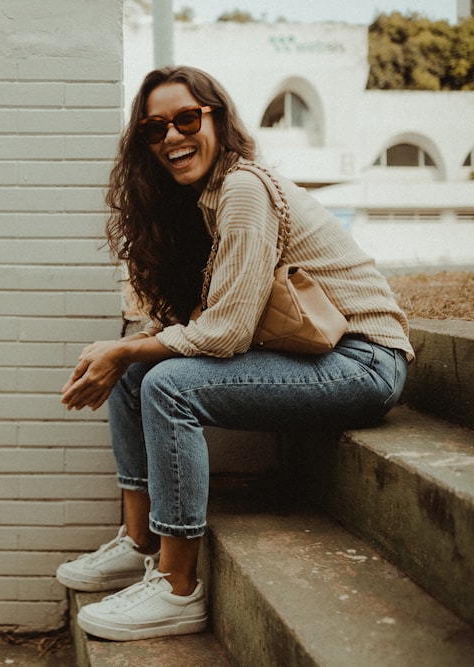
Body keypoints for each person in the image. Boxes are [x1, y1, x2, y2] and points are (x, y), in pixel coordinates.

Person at [56, 66, 414, 643]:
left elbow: (225, 333)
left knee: (165, 382)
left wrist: (124, 346)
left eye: (187, 119)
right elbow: (210, 317)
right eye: (154, 129)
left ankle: (176, 587)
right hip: (324, 357)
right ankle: (141, 539)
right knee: (138, 370)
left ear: (217, 118)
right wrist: (133, 352)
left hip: (366, 362)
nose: (172, 137)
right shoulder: (208, 199)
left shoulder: (245, 189)